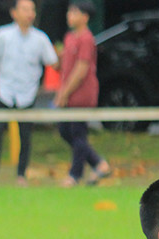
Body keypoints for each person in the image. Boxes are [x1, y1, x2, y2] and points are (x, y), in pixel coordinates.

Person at [0, 0, 58, 187]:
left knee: (26, 136)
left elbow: (54, 63)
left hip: (27, 94)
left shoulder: (40, 38)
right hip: (5, 92)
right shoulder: (3, 34)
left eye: (32, 9)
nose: (29, 13)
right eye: (25, 9)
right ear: (14, 13)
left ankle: (21, 176)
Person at [54, 0, 111, 187]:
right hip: (68, 92)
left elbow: (81, 69)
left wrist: (65, 92)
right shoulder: (69, 37)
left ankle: (74, 175)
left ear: (85, 17)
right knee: (65, 130)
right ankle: (98, 163)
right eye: (69, 12)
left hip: (81, 94)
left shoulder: (86, 38)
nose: (69, 15)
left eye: (74, 12)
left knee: (78, 133)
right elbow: (64, 65)